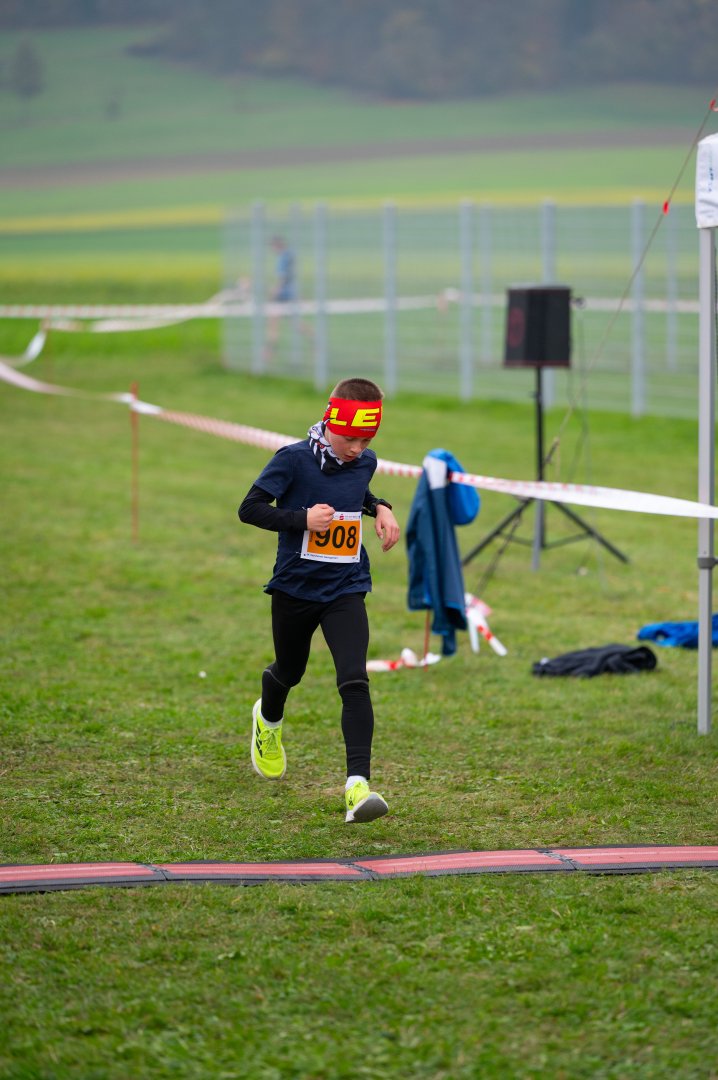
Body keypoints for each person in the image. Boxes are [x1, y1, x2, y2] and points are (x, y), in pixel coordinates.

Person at [238, 377, 400, 823]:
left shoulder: (364, 462)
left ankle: (357, 788)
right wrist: (302, 520)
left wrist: (380, 507)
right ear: (331, 423)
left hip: (346, 586)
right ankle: (268, 720)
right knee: (289, 671)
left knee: (354, 679)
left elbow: (356, 492)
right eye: (350, 439)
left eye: (367, 440)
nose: (358, 449)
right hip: (295, 587)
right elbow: (249, 508)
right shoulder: (292, 460)